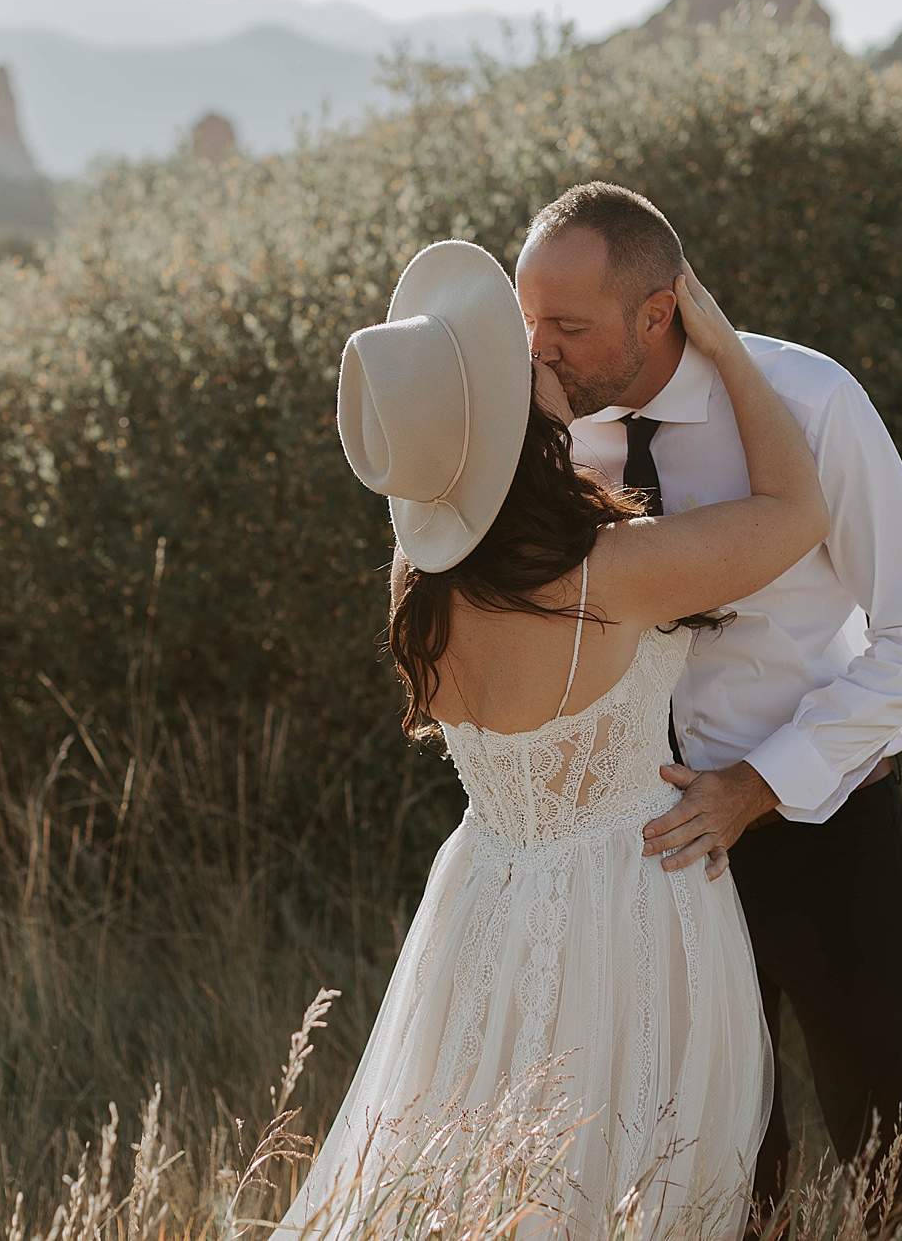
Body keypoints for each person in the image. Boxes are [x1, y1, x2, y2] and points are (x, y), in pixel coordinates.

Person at [282, 235, 828, 1240]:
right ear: (502, 418)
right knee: (626, 1189)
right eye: (522, 359)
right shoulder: (605, 573)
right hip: (628, 901)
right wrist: (721, 342)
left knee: (473, 1183)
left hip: (483, 900)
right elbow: (796, 511)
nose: (542, 351)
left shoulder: (420, 587)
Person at [521, 183, 902, 1216]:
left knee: (888, 1143)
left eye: (569, 329)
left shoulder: (810, 403)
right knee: (703, 1156)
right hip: (638, 848)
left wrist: (757, 786)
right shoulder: (544, 424)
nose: (539, 352)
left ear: (655, 312)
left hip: (820, 826)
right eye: (527, 320)